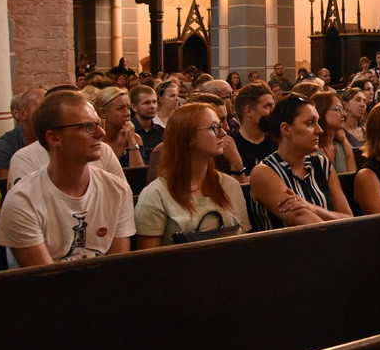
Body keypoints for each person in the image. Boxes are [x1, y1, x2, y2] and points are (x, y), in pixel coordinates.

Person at [0, 90, 134, 266]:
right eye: (87, 126)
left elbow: (116, 269)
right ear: (54, 138)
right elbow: (48, 279)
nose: (100, 133)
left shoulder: (117, 189)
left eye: (99, 124)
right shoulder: (23, 200)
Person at [135, 103, 249, 247]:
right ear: (188, 138)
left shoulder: (229, 185)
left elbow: (245, 243)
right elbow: (148, 262)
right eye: (214, 127)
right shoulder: (156, 195)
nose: (223, 133)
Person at [248, 95, 353, 229]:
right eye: (310, 123)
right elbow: (308, 222)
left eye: (318, 122)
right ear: (286, 129)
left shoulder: (321, 163)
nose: (319, 130)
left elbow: (349, 219)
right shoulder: (264, 172)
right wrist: (327, 216)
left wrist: (312, 208)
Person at [0, 87, 46, 179]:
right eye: (41, 106)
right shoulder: (7, 143)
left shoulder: (57, 137)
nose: (47, 111)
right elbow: (7, 184)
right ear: (22, 113)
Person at [230, 82, 278, 177]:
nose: (273, 111)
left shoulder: (277, 143)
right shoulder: (232, 146)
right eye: (267, 106)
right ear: (249, 111)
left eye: (273, 106)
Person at [94, 87, 145, 168]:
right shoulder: (94, 140)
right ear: (103, 112)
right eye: (120, 109)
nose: (127, 113)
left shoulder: (135, 138)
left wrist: (131, 141)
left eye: (128, 108)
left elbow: (138, 176)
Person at [312, 91, 357, 173]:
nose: (344, 114)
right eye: (338, 109)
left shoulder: (343, 143)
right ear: (321, 111)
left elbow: (351, 178)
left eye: (343, 110)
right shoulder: (310, 148)